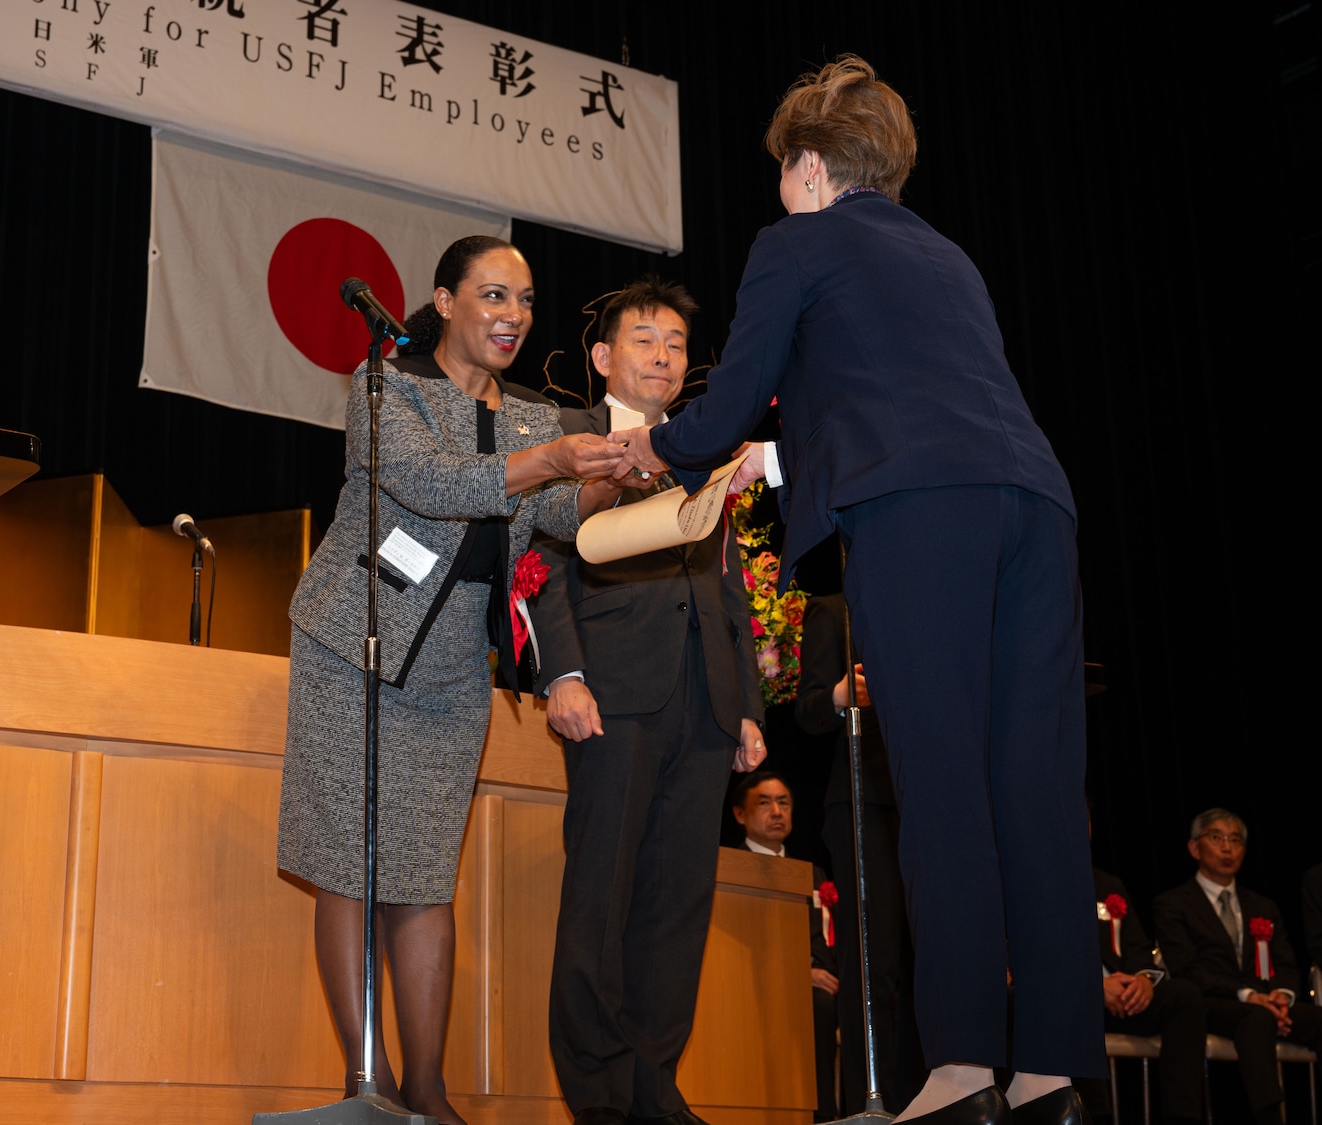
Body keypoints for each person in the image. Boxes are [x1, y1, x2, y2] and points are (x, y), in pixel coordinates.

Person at [611, 56, 1102, 1125]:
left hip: (920, 518)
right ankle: (1057, 1076)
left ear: (805, 166)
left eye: (781, 167)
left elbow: (732, 396)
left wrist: (658, 447)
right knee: (1033, 789)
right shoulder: (945, 255)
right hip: (1035, 504)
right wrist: (770, 464)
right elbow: (898, 399)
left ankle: (966, 1067)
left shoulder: (796, 242)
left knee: (936, 786)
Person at [276, 235, 626, 1125]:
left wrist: (617, 474)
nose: (513, 315)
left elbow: (551, 514)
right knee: (346, 867)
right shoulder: (385, 383)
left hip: (453, 664)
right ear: (444, 301)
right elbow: (427, 482)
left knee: (426, 875)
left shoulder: (535, 414)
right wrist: (556, 461)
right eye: (494, 295)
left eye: (526, 299)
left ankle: (428, 1092)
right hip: (349, 647)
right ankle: (371, 1083)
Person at [526, 276, 767, 1125]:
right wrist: (564, 674)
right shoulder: (562, 439)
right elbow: (539, 565)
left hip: (703, 700)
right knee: (602, 895)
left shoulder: (703, 445)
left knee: (677, 906)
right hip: (611, 693)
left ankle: (653, 1090)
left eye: (675, 344)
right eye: (644, 340)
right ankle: (598, 1091)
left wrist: (745, 704)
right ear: (603, 356)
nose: (663, 356)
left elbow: (729, 586)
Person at [796, 592, 924, 1114]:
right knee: (877, 964)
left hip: (932, 800)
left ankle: (938, 1097)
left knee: (934, 962)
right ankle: (872, 1106)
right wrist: (840, 694)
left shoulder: (933, 604)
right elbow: (807, 709)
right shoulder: (836, 610)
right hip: (867, 800)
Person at [1151, 810, 1322, 1125]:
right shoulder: (1173, 903)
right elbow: (1186, 968)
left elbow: (1285, 962)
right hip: (1212, 1003)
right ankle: (1271, 1117)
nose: (1227, 848)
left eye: (1235, 840)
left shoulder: (1262, 905)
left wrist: (1282, 997)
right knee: (1255, 1017)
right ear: (1194, 848)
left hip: (1266, 1003)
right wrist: (1247, 995)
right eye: (1216, 838)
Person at [729, 772, 840, 1123]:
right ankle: (821, 1115)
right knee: (819, 1004)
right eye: (764, 803)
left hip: (823, 980)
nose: (777, 812)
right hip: (755, 983)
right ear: (740, 814)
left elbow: (824, 940)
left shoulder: (811, 874)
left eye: (784, 803)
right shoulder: (729, 870)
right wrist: (797, 973)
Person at [1088, 863, 1207, 1125]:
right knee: (1076, 1004)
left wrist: (1143, 980)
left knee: (1184, 996)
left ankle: (1182, 1117)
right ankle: (1095, 1116)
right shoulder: (1033, 876)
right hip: (1074, 997)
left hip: (1123, 996)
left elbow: (1138, 947)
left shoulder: (1109, 884)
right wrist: (1092, 987)